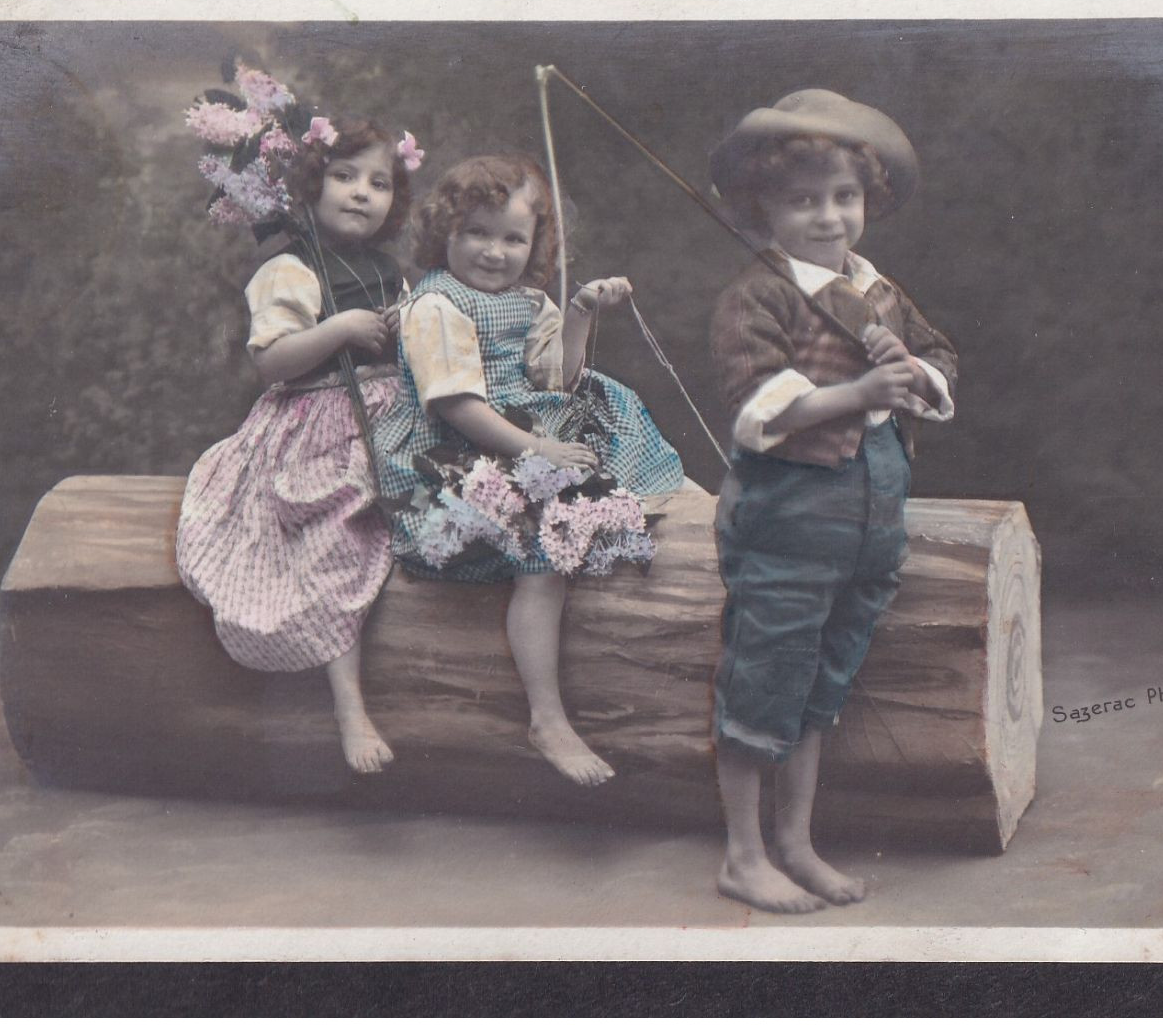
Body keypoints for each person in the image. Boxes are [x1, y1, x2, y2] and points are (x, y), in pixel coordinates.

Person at [706, 89, 958, 913]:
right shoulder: (759, 294)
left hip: (869, 520)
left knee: (819, 685)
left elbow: (938, 357)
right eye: (802, 200)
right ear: (763, 206)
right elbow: (755, 409)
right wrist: (857, 391)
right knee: (761, 681)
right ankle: (742, 855)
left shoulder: (878, 289)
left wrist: (911, 373)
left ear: (867, 200)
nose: (827, 217)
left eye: (843, 196)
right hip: (789, 519)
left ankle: (795, 843)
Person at [375, 153, 684, 786]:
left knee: (603, 397)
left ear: (535, 244)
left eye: (513, 238)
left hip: (523, 426)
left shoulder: (528, 300)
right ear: (446, 235)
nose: (495, 252)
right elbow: (457, 405)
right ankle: (547, 717)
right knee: (541, 555)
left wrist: (580, 312)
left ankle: (647, 504)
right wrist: (536, 451)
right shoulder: (435, 304)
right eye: (477, 234)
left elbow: (559, 380)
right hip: (454, 446)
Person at [176, 115, 423, 775]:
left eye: (379, 183)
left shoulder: (384, 268)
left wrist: (405, 325)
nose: (362, 193)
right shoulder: (291, 267)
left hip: (386, 416)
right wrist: (340, 326)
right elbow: (275, 361)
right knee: (336, 535)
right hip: (314, 422)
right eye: (344, 177)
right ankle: (350, 706)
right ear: (311, 187)